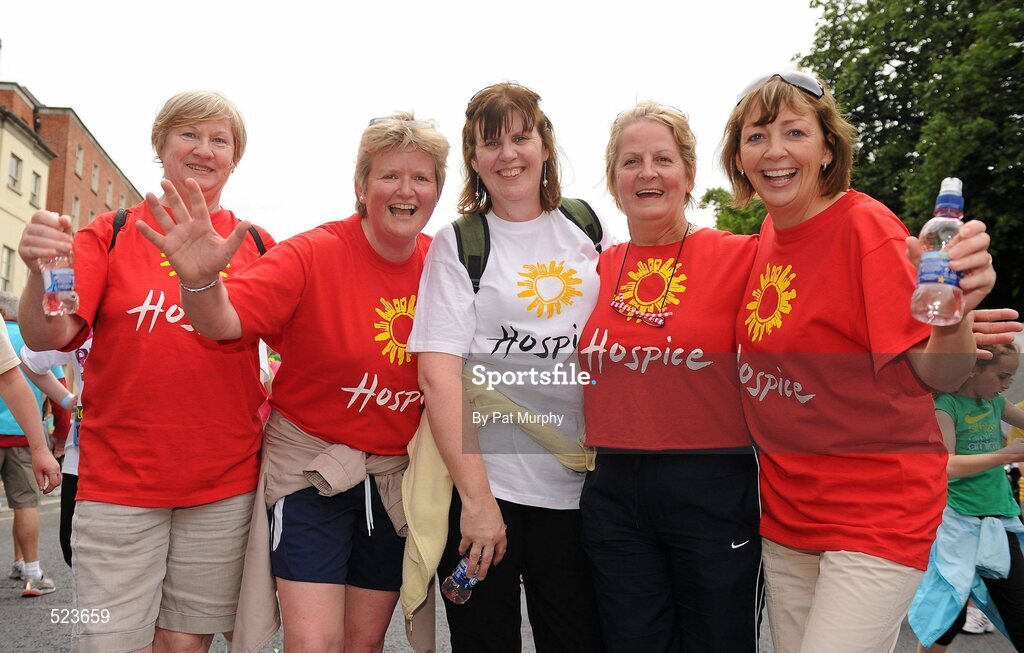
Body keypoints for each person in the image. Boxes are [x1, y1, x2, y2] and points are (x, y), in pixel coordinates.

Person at [139, 112, 449, 653]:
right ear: (361, 186)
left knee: (364, 640)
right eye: (389, 176)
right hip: (311, 472)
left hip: (391, 476)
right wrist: (202, 281)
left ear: (436, 191)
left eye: (421, 178)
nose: (405, 191)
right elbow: (224, 324)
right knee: (313, 641)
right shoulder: (313, 254)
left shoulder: (441, 267)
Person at [720, 70, 998, 653]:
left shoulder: (866, 228)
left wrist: (957, 315)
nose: (774, 151)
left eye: (794, 132)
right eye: (756, 136)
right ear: (738, 157)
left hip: (875, 513)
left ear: (827, 148)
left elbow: (937, 375)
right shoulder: (765, 238)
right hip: (790, 517)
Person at [17, 90, 274, 653]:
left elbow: (300, 348)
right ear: (160, 146)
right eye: (188, 134)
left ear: (235, 158)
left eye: (219, 140)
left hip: (223, 486)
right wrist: (40, 272)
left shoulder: (253, 244)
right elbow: (50, 333)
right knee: (108, 641)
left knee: (185, 643)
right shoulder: (108, 233)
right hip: (118, 487)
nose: (204, 149)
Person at [409, 81, 606, 653]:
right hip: (491, 489)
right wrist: (477, 503)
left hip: (578, 493)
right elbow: (437, 375)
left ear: (544, 145)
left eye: (521, 137)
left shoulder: (589, 228)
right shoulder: (461, 243)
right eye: (490, 143)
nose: (508, 155)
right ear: (474, 158)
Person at [578, 101, 761, 652]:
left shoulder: (741, 256)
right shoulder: (596, 269)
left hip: (712, 484)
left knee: (717, 641)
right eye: (631, 161)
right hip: (612, 488)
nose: (647, 173)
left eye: (663, 159)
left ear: (688, 174)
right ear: (614, 181)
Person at [910, 342, 1024, 652]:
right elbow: (945, 467)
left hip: (999, 524)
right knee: (945, 621)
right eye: (1002, 377)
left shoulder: (996, 404)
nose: (1007, 386)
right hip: (957, 528)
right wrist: (1003, 455)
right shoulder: (945, 407)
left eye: (1011, 379)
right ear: (973, 369)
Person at [0, 297, 61, 597]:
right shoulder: (32, 338)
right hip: (21, 434)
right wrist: (55, 441)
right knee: (24, 504)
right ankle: (31, 570)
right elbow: (61, 395)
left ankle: (17, 562)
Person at [19, 335, 91, 568]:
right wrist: (67, 399)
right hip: (82, 458)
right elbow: (30, 360)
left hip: (148, 456)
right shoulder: (84, 321)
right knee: (75, 551)